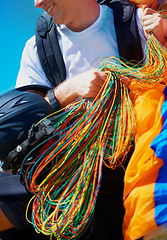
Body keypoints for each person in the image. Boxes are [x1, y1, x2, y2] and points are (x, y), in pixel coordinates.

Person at [0, 0, 167, 239]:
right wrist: (67, 92)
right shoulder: (38, 48)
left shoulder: (141, 24)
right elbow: (26, 129)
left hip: (131, 163)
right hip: (70, 172)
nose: (37, 3)